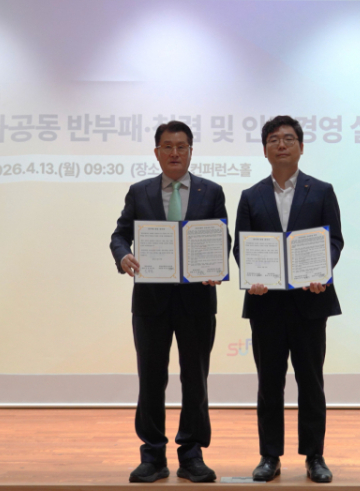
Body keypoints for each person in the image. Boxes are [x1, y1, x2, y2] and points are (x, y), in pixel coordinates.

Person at [110, 121, 228, 484]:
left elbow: (221, 238)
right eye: (167, 146)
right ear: (157, 152)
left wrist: (217, 265)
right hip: (151, 302)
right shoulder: (140, 191)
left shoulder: (211, 191)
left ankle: (192, 454)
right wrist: (123, 256)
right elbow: (119, 234)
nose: (174, 153)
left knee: (196, 380)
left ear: (191, 151)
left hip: (197, 300)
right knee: (151, 379)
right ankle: (152, 455)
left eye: (181, 147)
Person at [233, 115, 343, 484]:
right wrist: (252, 276)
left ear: (301, 146)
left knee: (311, 382)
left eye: (289, 138)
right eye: (274, 140)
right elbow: (242, 246)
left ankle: (315, 456)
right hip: (266, 304)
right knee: (269, 384)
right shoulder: (251, 196)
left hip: (310, 302)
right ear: (264, 149)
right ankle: (269, 456)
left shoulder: (322, 191)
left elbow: (334, 240)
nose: (281, 145)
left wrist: (322, 269)